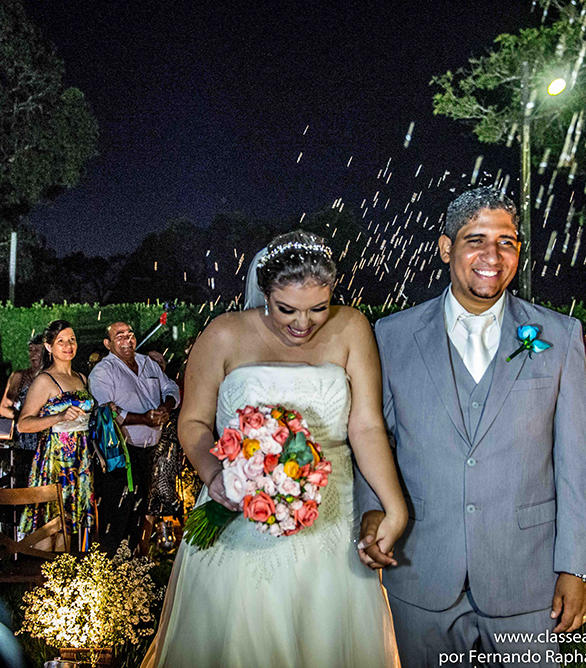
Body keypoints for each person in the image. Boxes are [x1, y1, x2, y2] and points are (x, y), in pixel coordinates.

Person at [356, 187, 586, 666]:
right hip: (418, 568)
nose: (493, 256)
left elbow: (578, 460)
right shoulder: (390, 335)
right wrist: (371, 512)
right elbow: (373, 437)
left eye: (507, 242)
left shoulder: (560, 335)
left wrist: (579, 567)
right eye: (476, 240)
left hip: (528, 580)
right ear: (447, 248)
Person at [142, 231, 406, 668]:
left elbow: (367, 425)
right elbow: (191, 422)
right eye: (287, 309)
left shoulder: (353, 327)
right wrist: (215, 475)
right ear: (264, 293)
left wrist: (395, 508)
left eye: (317, 308)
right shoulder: (223, 334)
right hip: (237, 516)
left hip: (330, 522)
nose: (303, 323)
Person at [89, 322, 180, 555]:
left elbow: (171, 388)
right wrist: (143, 419)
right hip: (121, 454)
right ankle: (112, 570)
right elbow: (107, 413)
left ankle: (135, 568)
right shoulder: (103, 371)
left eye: (130, 334)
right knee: (119, 515)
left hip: (149, 452)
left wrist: (166, 407)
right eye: (119, 336)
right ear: (107, 344)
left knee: (141, 514)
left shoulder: (148, 363)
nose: (127, 338)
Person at [17, 320, 96, 548]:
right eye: (61, 341)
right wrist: (59, 417)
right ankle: (41, 577)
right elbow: (24, 424)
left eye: (71, 339)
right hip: (55, 459)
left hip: (80, 458)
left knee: (70, 523)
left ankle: (63, 577)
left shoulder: (82, 379)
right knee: (51, 519)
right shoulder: (44, 380)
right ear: (49, 347)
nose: (68, 345)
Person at [0, 334, 44, 451]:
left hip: (46, 436)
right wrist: (24, 418)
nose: (33, 354)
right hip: (22, 436)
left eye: (37, 350)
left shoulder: (53, 378)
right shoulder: (19, 377)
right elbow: (3, 409)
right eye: (30, 350)